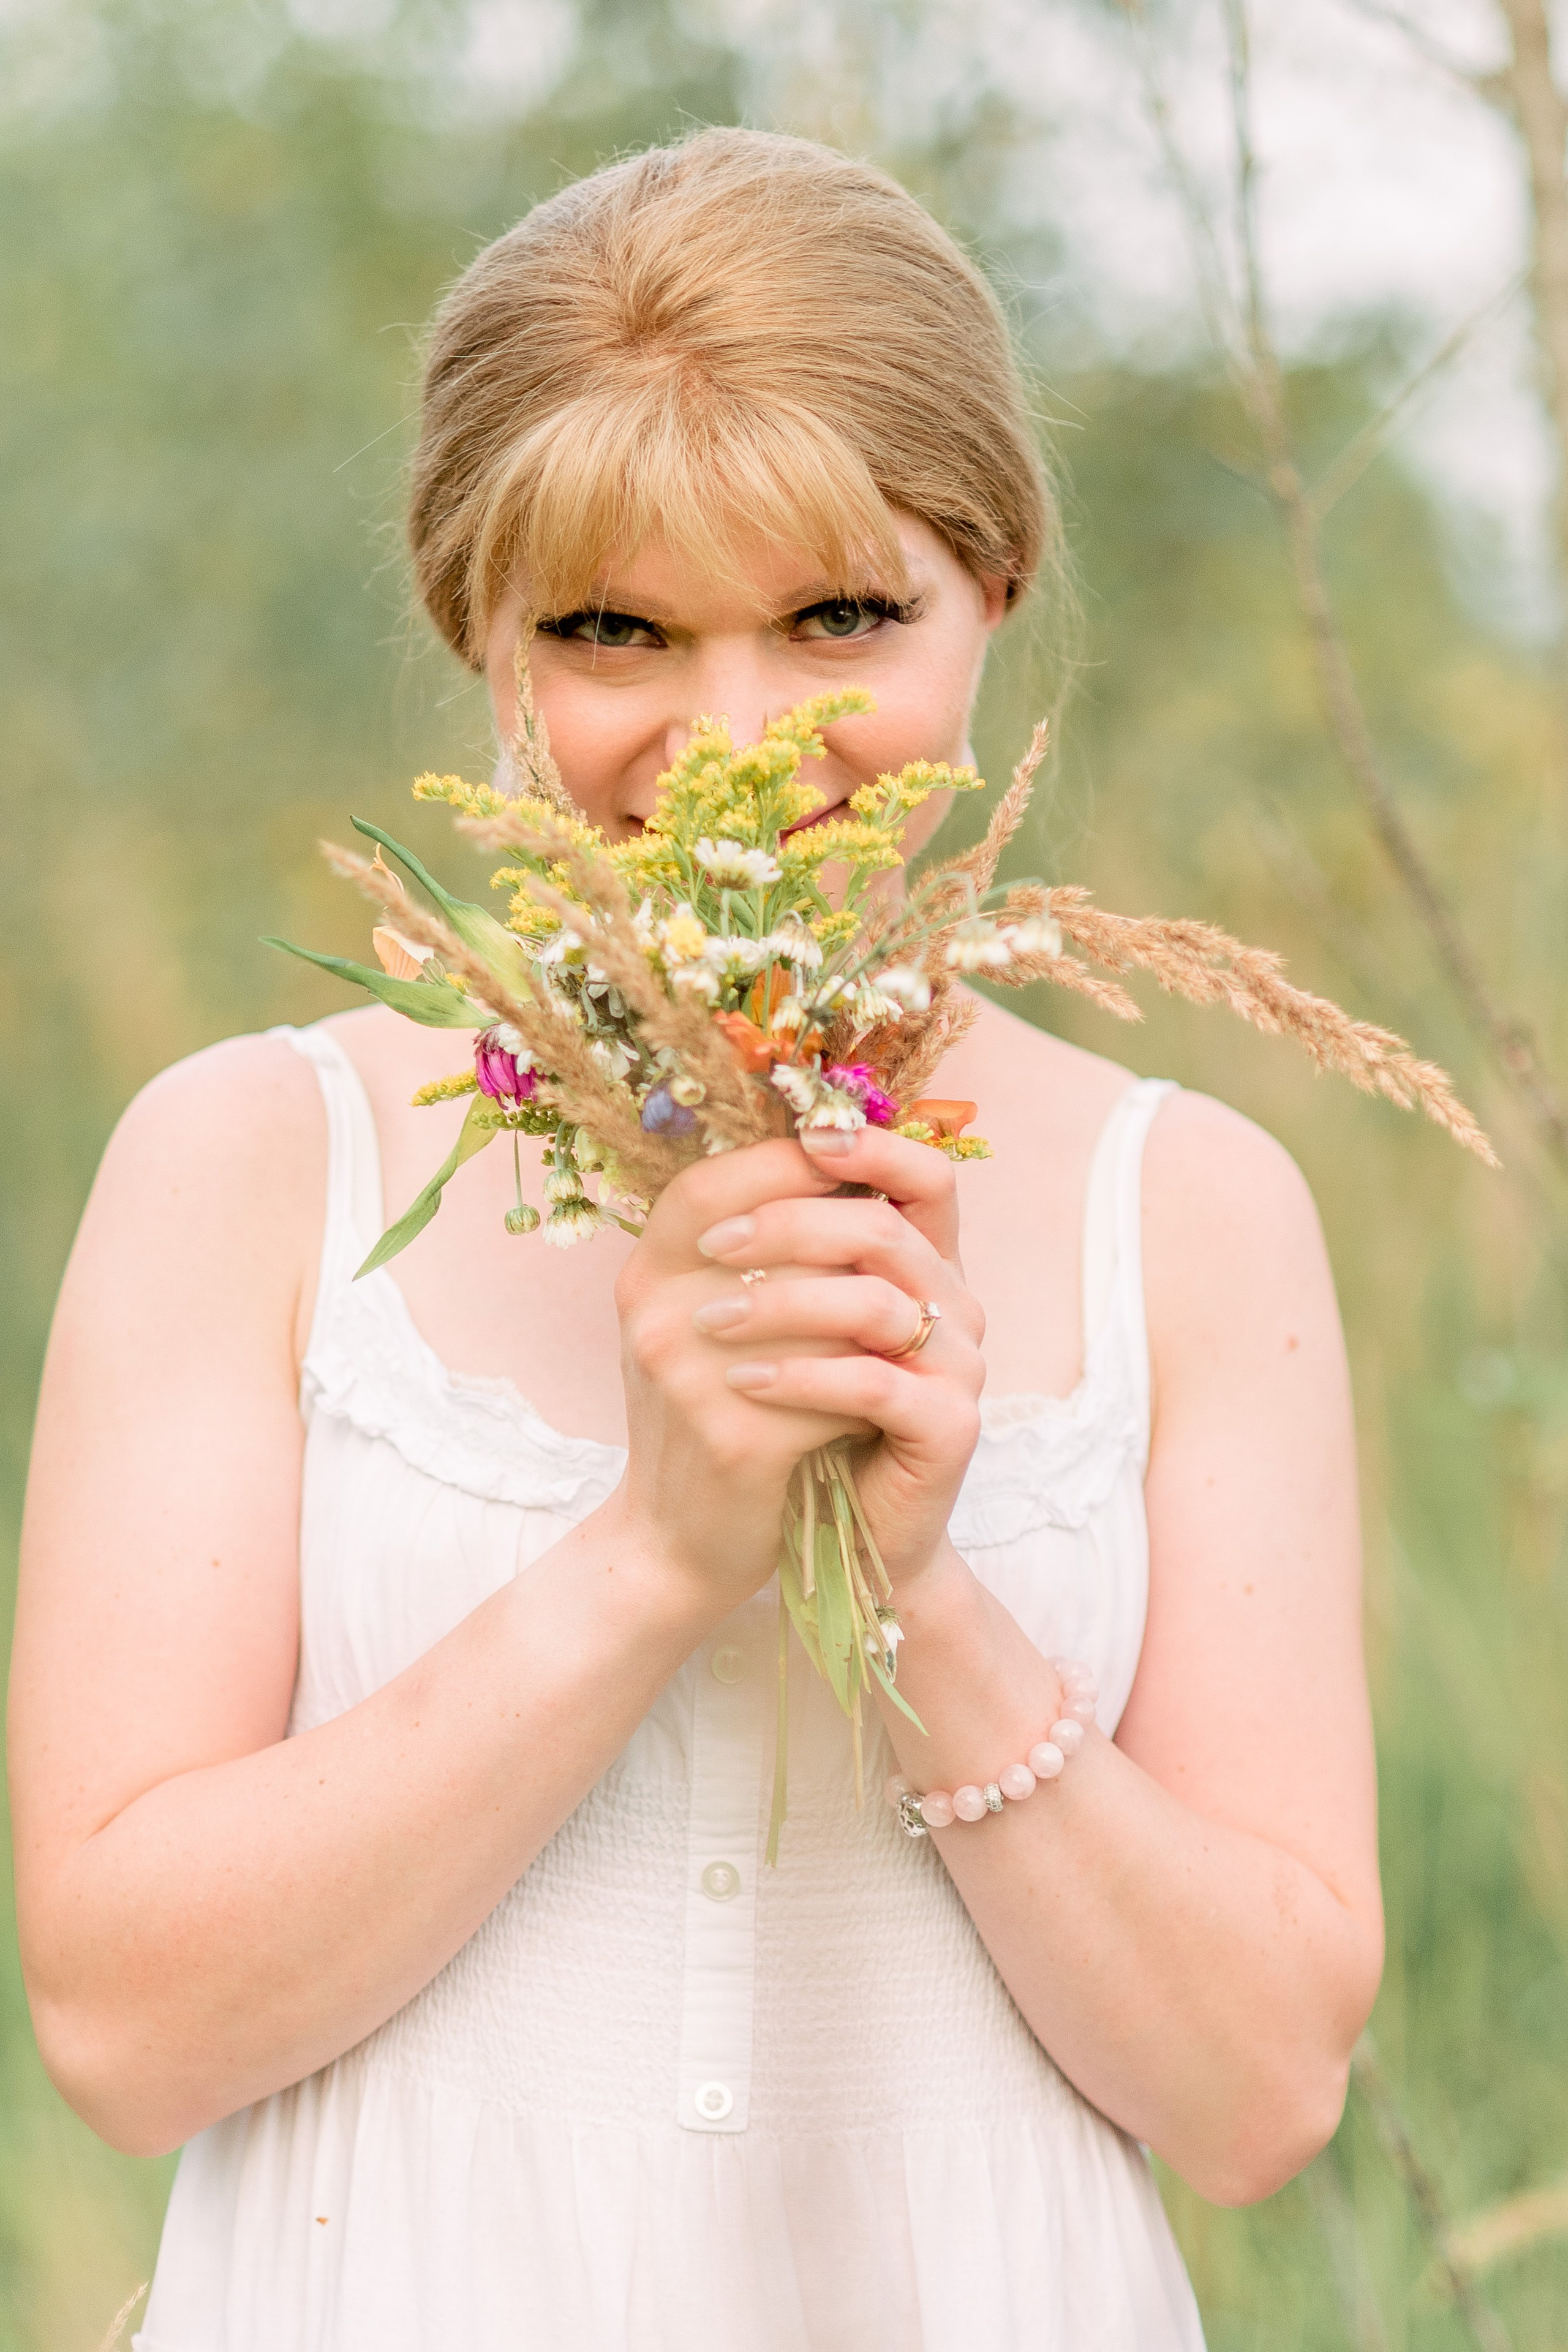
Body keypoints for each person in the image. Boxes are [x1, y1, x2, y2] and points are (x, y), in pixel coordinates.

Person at [10, 127, 1382, 2350]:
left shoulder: (1192, 1209)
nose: (738, 740)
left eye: (842, 615)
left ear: (996, 589)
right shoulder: (253, 1165)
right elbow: (122, 2033)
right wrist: (658, 1552)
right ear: (481, 632)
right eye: (615, 631)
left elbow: (1257, 2097)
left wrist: (920, 1584)